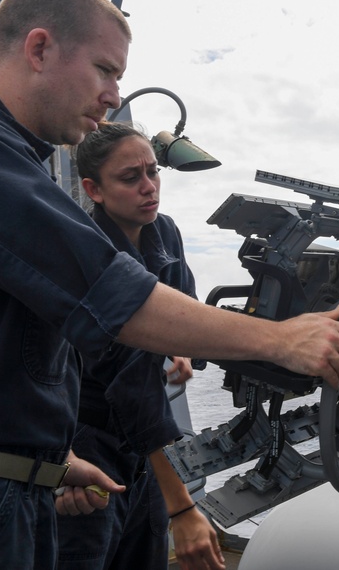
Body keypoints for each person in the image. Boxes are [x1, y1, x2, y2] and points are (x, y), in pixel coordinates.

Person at [0, 0, 339, 570]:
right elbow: (112, 296)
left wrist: (53, 462)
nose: (115, 95)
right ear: (39, 49)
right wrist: (283, 341)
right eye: (105, 70)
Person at [55, 122, 223, 570]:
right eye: (131, 178)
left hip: (144, 447)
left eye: (153, 172)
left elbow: (184, 313)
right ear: (94, 189)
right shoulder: (89, 255)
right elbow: (131, 385)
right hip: (89, 442)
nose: (149, 188)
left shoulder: (164, 232)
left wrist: (180, 350)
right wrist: (184, 510)